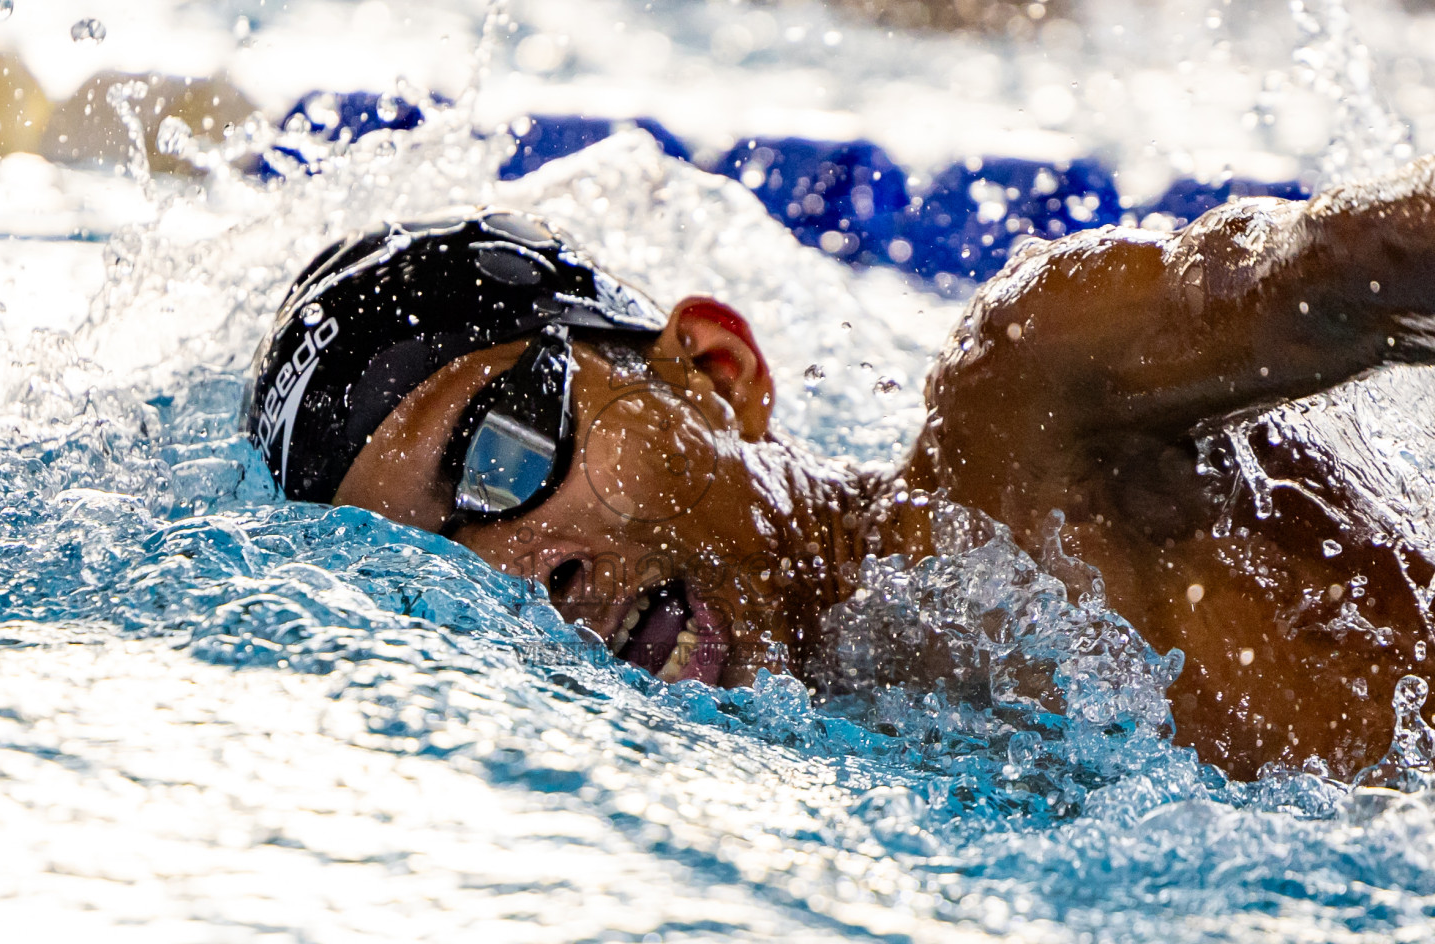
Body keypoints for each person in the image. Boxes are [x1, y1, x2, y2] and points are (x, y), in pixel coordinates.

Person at [244, 161, 1435, 781]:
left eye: (501, 454)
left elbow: (1327, 266)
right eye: (435, 571)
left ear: (710, 370)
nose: (521, 576)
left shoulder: (1027, 417)